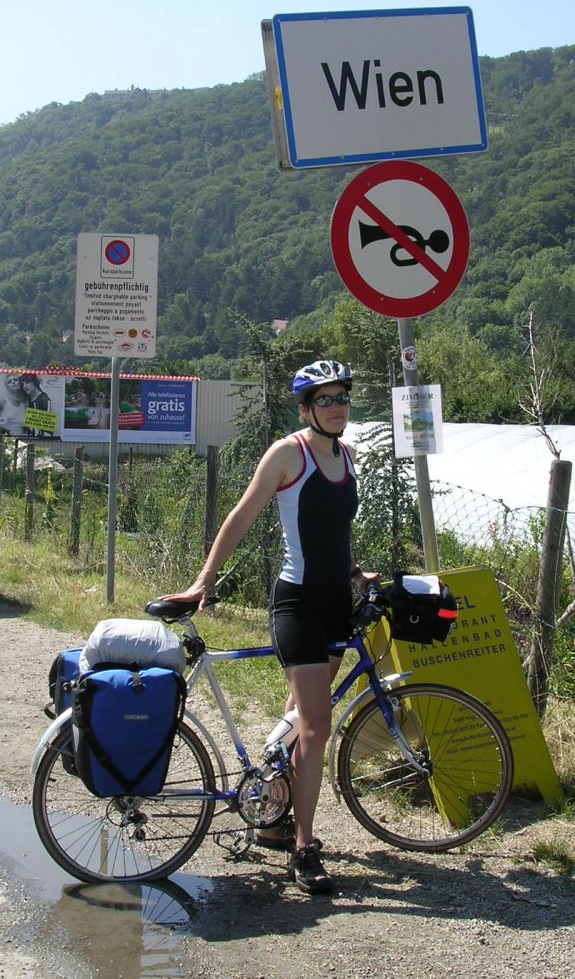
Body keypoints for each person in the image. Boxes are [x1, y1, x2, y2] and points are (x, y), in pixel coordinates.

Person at [161, 359, 378, 895]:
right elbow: (241, 515)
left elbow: (333, 534)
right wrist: (202, 582)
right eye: (324, 400)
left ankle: (272, 806)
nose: (336, 407)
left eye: (342, 398)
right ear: (305, 408)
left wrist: (355, 572)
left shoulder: (348, 457)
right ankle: (304, 849)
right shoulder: (289, 453)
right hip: (298, 603)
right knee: (317, 728)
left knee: (301, 715)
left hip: (335, 602)